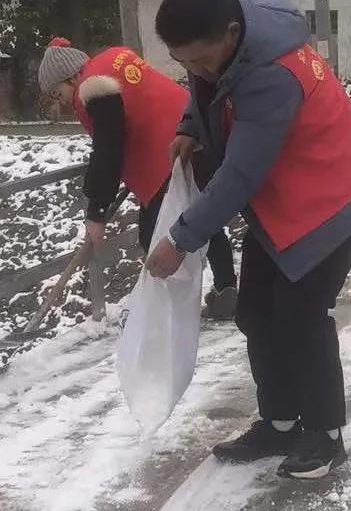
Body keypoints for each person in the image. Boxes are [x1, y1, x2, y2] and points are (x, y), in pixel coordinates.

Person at [149, 0, 351, 480]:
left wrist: (180, 240)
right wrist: (190, 121)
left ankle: (325, 434)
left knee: (300, 313)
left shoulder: (271, 75)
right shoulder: (233, 37)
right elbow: (207, 86)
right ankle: (280, 422)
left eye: (201, 60)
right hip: (286, 195)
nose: (195, 71)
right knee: (255, 310)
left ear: (231, 35)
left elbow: (239, 176)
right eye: (182, 63)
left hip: (332, 194)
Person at [36, 37, 237, 319]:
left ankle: (166, 313)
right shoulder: (114, 56)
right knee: (204, 217)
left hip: (169, 151)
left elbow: (108, 146)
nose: (66, 103)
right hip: (197, 131)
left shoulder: (93, 87)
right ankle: (226, 292)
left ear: (71, 77)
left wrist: (96, 211)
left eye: (59, 94)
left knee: (154, 236)